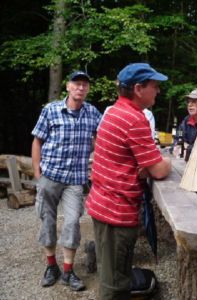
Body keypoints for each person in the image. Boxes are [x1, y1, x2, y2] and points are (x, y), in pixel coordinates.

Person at [85, 63, 171, 299]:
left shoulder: (113, 111)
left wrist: (142, 167)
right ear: (138, 88)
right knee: (115, 285)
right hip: (116, 212)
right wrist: (166, 161)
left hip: (103, 205)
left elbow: (123, 159)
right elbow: (160, 170)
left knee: (114, 274)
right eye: (155, 86)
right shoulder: (135, 119)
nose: (158, 91)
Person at [31, 70, 102, 291]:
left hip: (75, 179)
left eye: (84, 85)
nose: (81, 88)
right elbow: (37, 141)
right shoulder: (51, 110)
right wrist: (37, 173)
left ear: (88, 89)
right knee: (48, 221)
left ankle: (69, 271)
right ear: (68, 87)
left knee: (72, 222)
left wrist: (96, 167)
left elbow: (100, 141)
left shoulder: (92, 113)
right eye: (76, 83)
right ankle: (51, 266)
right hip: (50, 175)